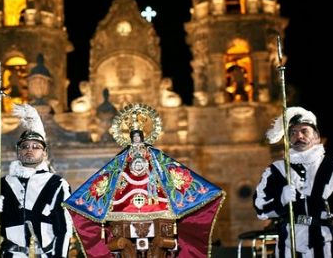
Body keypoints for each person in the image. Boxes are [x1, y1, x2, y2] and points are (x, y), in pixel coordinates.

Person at [63, 103, 225, 258]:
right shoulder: (123, 158)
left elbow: (170, 171)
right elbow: (107, 176)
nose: (136, 139)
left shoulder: (153, 155)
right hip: (125, 209)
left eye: (138, 136)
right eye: (133, 136)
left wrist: (205, 192)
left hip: (155, 205)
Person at [253, 106, 333, 258]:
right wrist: (281, 200)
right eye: (293, 133)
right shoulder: (276, 170)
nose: (299, 136)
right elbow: (260, 208)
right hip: (288, 247)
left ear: (316, 136)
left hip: (325, 245)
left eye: (304, 131)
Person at [0, 103, 73, 257]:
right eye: (25, 146)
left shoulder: (57, 184)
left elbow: (63, 229)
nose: (30, 150)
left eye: (36, 147)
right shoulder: (0, 185)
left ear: (44, 153)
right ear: (18, 152)